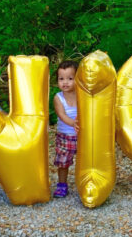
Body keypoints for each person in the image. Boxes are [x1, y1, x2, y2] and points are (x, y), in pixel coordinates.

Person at [52, 60, 78, 198]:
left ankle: (84, 181)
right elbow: (61, 115)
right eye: (61, 79)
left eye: (70, 78)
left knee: (85, 160)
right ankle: (62, 184)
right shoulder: (58, 98)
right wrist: (74, 123)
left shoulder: (82, 95)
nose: (65, 82)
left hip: (81, 135)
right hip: (65, 136)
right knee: (63, 162)